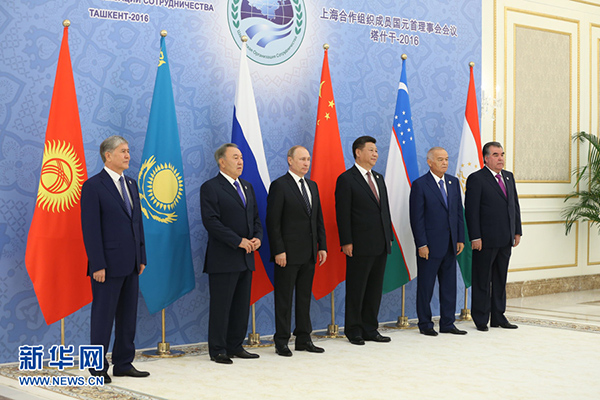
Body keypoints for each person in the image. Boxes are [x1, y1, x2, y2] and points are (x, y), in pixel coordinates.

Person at [81, 135, 149, 383]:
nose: (128, 155)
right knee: (103, 317)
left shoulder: (131, 183)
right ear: (108, 155)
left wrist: (141, 256)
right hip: (107, 266)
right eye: (123, 151)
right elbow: (90, 229)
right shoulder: (93, 186)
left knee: (127, 317)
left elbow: (137, 223)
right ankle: (96, 368)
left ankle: (123, 363)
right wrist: (97, 264)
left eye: (128, 151)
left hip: (131, 263)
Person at [200, 143, 262, 364]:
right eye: (235, 157)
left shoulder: (247, 186)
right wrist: (238, 241)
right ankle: (218, 350)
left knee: (240, 306)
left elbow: (255, 218)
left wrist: (257, 237)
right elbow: (211, 222)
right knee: (222, 306)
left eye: (241, 157)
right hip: (223, 259)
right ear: (222, 161)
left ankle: (236, 345)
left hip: (246, 257)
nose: (240, 161)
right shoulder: (211, 187)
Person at [266, 145, 327, 357]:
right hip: (287, 255)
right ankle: (282, 341)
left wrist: (322, 246)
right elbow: (273, 222)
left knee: (304, 298)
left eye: (308, 159)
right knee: (284, 299)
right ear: (290, 160)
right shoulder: (280, 185)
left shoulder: (312, 185)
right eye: (302, 159)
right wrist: (278, 250)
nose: (306, 163)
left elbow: (318, 218)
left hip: (309, 253)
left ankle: (303, 338)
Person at [335, 136, 393, 345]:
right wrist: (346, 241)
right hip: (359, 244)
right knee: (357, 288)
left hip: (380, 243)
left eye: (376, 150)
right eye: (371, 150)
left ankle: (370, 328)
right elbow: (342, 213)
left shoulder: (378, 178)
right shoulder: (346, 179)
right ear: (358, 152)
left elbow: (384, 210)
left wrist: (389, 237)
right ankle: (354, 330)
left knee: (374, 289)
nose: (375, 154)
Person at [465, 141, 522, 331]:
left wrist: (517, 231)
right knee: (482, 280)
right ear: (486, 158)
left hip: (505, 238)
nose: (500, 158)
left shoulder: (508, 177)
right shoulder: (477, 178)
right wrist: (475, 237)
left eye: (502, 154)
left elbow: (514, 205)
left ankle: (498, 316)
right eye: (496, 155)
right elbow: (471, 211)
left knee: (500, 279)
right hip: (485, 240)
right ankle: (481, 318)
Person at [409, 147, 466, 336]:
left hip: (450, 244)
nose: (445, 163)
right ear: (430, 162)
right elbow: (416, 218)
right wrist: (421, 244)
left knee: (449, 286)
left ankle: (448, 323)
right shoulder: (420, 185)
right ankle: (425, 324)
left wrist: (460, 238)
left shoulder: (453, 182)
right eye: (440, 159)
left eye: (447, 159)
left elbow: (458, 213)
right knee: (426, 287)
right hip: (430, 246)